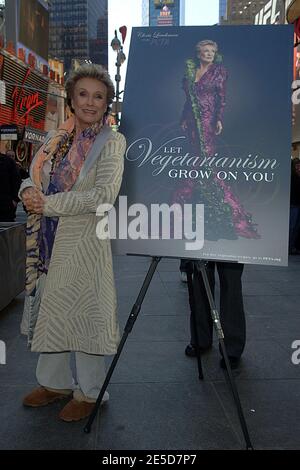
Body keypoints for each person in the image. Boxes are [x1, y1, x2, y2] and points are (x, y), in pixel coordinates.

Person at [19, 64, 126, 422]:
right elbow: (31, 175)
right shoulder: (54, 140)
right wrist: (29, 193)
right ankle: (55, 383)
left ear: (107, 103)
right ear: (71, 99)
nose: (90, 102)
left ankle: (91, 392)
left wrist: (48, 204)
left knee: (85, 314)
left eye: (99, 96)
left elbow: (104, 195)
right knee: (52, 307)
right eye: (83, 94)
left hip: (84, 244)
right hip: (48, 244)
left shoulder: (111, 142)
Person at [174, 40, 251, 369]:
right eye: (202, 49)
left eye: (211, 49)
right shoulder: (190, 71)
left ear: (214, 53)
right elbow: (187, 99)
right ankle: (200, 338)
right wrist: (182, 118)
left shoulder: (220, 72)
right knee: (196, 273)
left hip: (209, 124)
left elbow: (221, 100)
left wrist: (218, 119)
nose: (206, 53)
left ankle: (232, 346)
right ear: (197, 52)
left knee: (230, 280)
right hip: (192, 125)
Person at [0, 148, 21, 222]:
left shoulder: (8, 162)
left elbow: (16, 181)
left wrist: (15, 200)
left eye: (13, 155)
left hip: (5, 205)